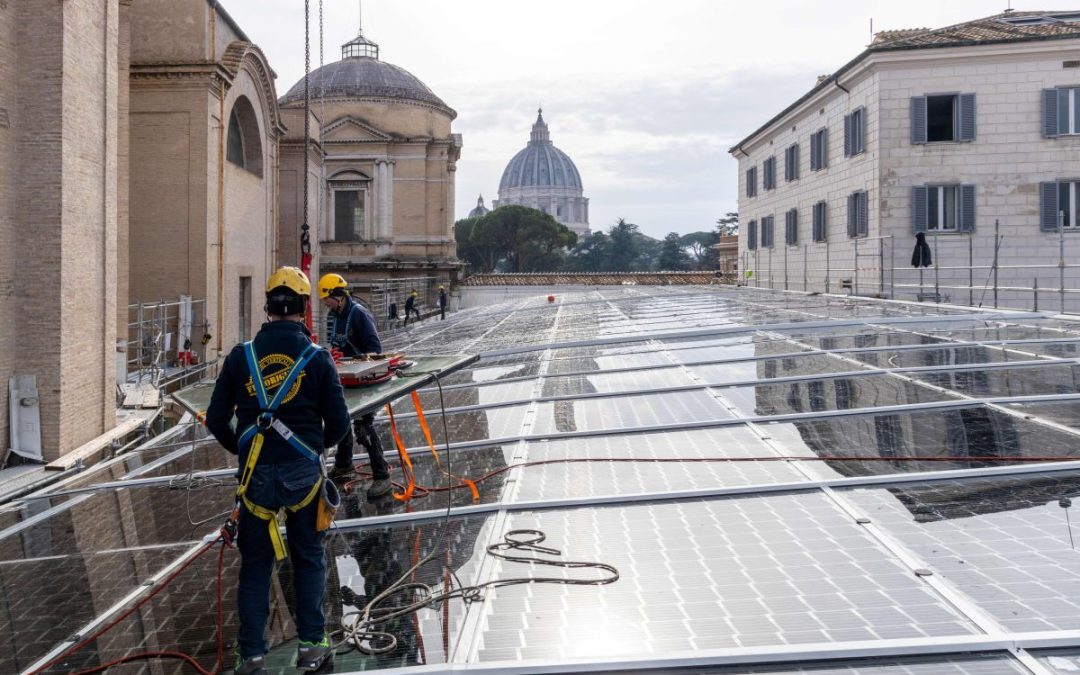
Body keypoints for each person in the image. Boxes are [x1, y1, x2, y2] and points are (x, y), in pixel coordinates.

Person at [205, 266, 348, 674]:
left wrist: (245, 448)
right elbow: (339, 425)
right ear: (304, 308)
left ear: (267, 306)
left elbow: (216, 419)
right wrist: (311, 445)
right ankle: (312, 647)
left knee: (255, 566)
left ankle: (251, 657)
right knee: (307, 557)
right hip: (303, 475)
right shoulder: (317, 359)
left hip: (256, 478)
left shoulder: (241, 356)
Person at [317, 273, 392, 499]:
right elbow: (338, 344)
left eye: (326, 299)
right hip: (347, 380)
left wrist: (355, 362)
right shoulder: (337, 315)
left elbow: (375, 351)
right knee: (340, 420)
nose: (325, 304)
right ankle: (344, 464)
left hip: (365, 382)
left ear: (337, 296)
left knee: (363, 427)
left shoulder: (359, 315)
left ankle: (382, 475)